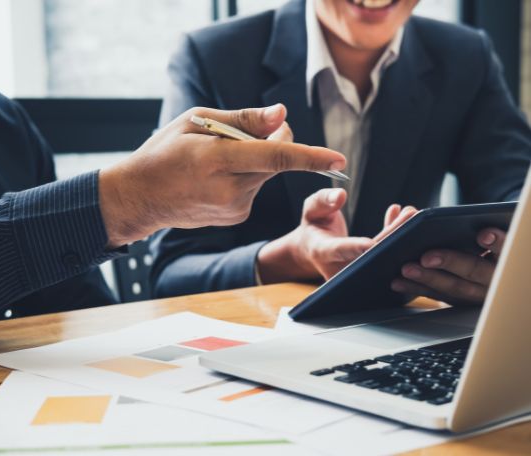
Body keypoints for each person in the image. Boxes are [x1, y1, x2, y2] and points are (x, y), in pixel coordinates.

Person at [151, 0, 531, 304]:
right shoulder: (213, 57)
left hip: (407, 329)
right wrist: (292, 257)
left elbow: (517, 195)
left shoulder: (466, 56)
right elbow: (172, 272)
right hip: (256, 339)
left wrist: (503, 259)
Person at [0, 65, 345, 324]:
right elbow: (172, 270)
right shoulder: (218, 55)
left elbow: (74, 303)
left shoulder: (4, 122)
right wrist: (126, 201)